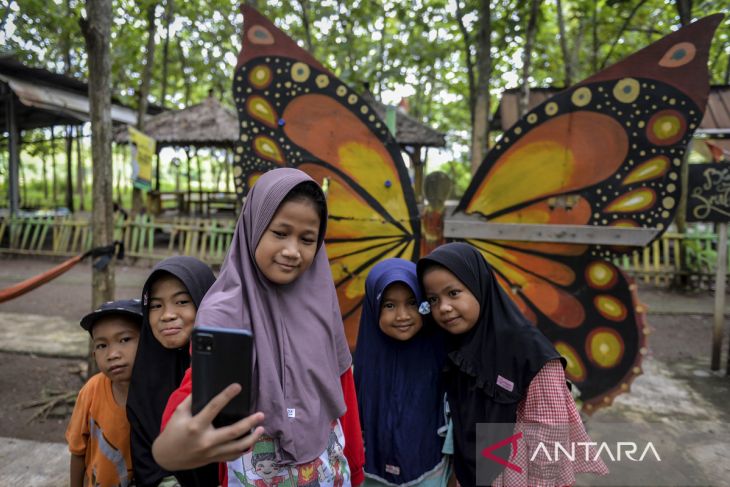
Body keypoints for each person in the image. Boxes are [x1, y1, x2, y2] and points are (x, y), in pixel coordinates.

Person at [152, 168, 365, 487]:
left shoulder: (321, 303)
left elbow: (341, 383)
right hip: (257, 470)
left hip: (328, 466)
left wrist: (357, 467)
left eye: (307, 239)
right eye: (280, 233)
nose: (293, 251)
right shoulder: (224, 311)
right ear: (254, 227)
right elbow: (197, 390)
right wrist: (172, 444)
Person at [417, 242, 608, 487]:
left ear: (479, 286)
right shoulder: (457, 346)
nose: (443, 307)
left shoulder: (528, 352)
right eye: (433, 299)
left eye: (453, 293)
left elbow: (549, 437)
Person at [353, 258, 451, 487]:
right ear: (373, 308)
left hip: (431, 471)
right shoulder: (359, 369)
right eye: (389, 305)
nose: (402, 316)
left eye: (412, 303)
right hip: (369, 473)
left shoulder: (444, 358)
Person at [127, 256, 219, 487]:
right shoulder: (144, 376)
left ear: (205, 301)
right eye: (156, 305)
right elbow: (145, 459)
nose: (167, 314)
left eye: (182, 302)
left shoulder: (227, 368)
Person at [66, 298, 143, 487]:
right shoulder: (91, 391)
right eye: (102, 345)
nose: (113, 354)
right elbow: (78, 452)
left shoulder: (162, 393)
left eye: (125, 339)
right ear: (94, 355)